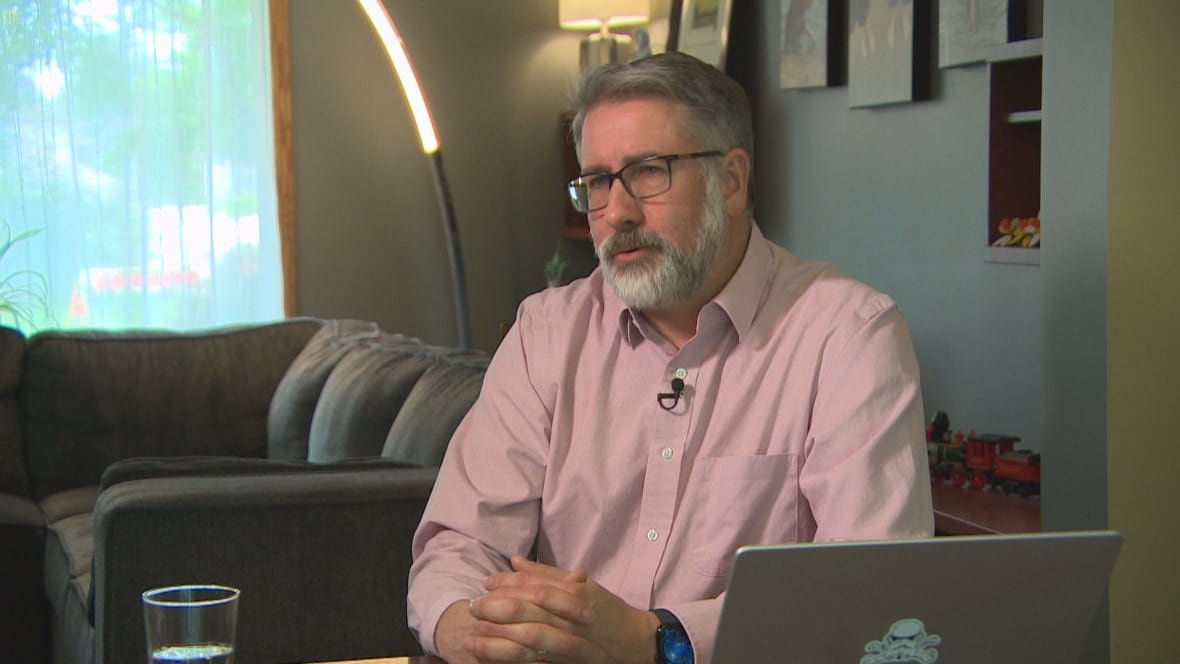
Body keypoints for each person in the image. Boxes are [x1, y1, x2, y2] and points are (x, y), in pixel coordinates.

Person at [407, 51, 933, 664]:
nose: (617, 212)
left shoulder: (847, 336)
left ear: (732, 181)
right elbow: (459, 543)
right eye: (598, 182)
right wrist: (470, 630)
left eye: (649, 171)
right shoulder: (545, 334)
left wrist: (656, 640)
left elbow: (871, 592)